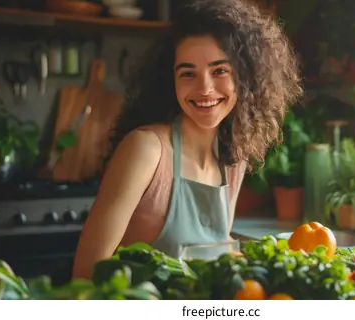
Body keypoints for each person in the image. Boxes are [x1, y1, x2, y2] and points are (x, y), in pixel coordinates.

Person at [72, 0, 303, 280]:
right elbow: (86, 274)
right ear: (170, 80)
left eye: (219, 71)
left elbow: (210, 255)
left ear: (245, 77)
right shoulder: (146, 149)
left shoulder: (233, 157)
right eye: (188, 73)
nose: (204, 88)